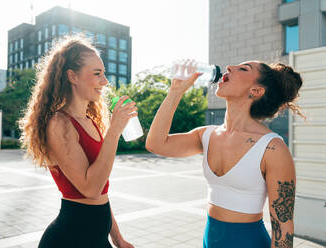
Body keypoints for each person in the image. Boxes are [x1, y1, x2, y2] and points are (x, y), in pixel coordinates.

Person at [146, 61, 303, 248]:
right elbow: (156, 144)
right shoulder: (206, 135)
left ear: (256, 91)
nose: (229, 67)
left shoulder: (272, 148)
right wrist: (176, 91)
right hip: (210, 240)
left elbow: (283, 228)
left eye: (243, 69)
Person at [19, 36, 136, 248]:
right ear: (72, 76)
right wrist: (115, 130)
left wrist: (118, 239)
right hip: (69, 240)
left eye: (104, 73)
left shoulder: (91, 122)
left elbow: (101, 191)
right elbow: (90, 188)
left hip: (98, 239)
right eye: (97, 73)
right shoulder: (59, 124)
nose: (105, 81)